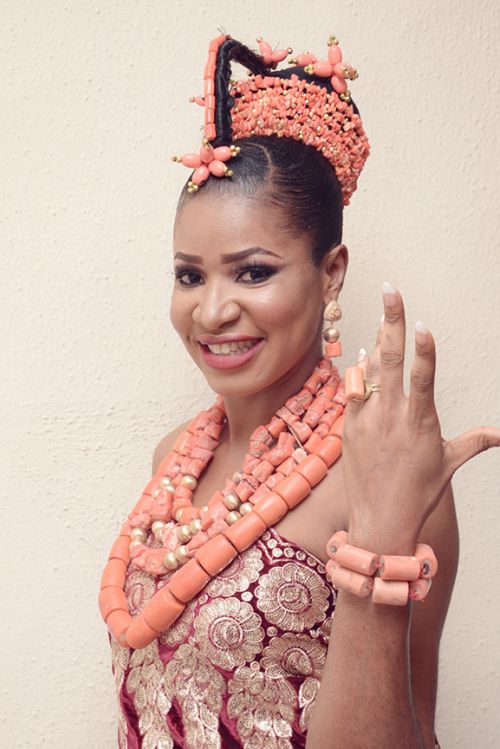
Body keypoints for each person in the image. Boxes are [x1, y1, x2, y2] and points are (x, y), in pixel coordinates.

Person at [99, 33, 500, 748]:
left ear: (331, 273)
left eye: (252, 271)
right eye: (190, 274)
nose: (212, 309)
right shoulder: (174, 458)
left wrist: (382, 532)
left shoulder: (380, 475)